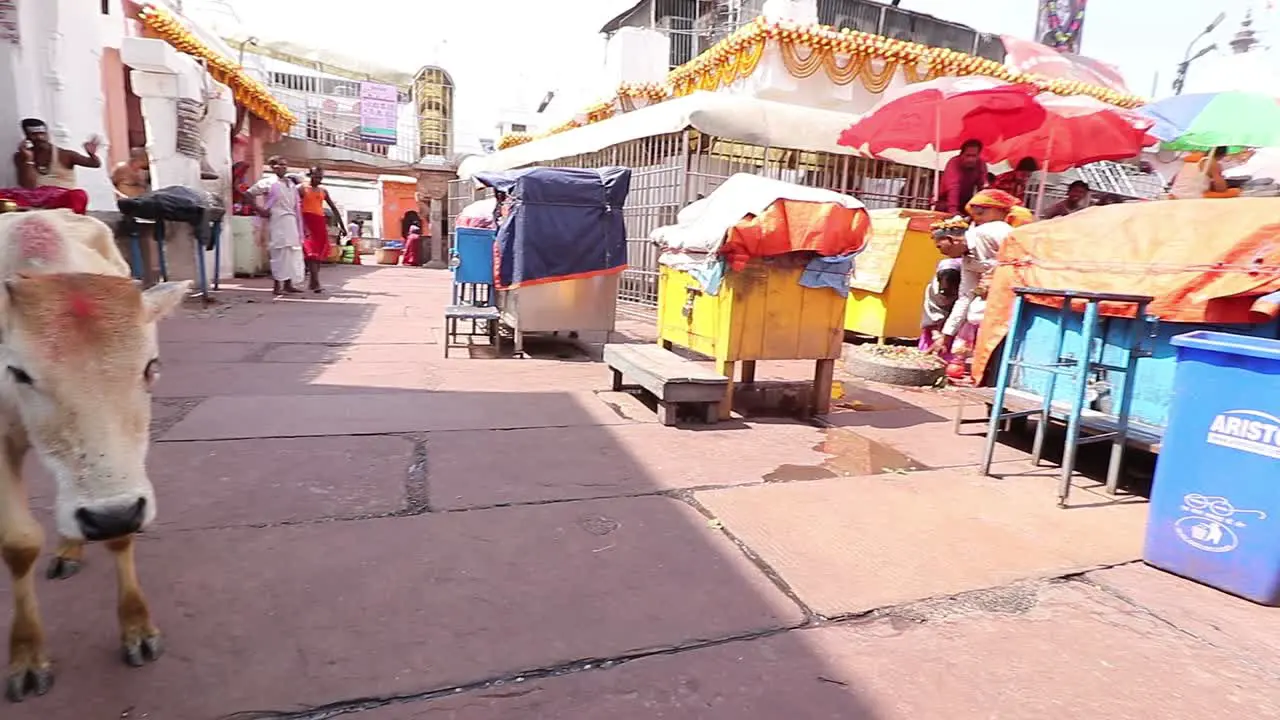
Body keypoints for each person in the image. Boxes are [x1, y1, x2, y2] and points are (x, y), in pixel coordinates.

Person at [929, 189, 1027, 373]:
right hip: (997, 295)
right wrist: (946, 335)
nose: (940, 251)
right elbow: (965, 297)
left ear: (951, 239)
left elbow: (1022, 256)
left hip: (1019, 288)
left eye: (940, 246)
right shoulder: (967, 260)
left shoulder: (992, 231)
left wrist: (998, 277)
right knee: (974, 311)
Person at [3, 118, 101, 214]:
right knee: (3, 195)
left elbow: (94, 164)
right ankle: (34, 211)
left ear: (47, 134)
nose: (39, 137)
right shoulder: (21, 156)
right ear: (27, 136)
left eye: (42, 133)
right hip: (33, 199)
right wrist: (28, 160)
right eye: (34, 134)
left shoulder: (65, 154)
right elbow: (28, 185)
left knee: (79, 195)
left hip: (59, 198)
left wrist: (92, 154)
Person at [250, 156, 306, 296]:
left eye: (285, 165)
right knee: (278, 251)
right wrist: (260, 210)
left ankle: (288, 284)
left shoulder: (291, 183)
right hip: (277, 220)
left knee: (291, 252)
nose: (283, 167)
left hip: (291, 221)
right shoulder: (268, 182)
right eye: (280, 165)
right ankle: (277, 286)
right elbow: (248, 194)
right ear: (272, 167)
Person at [299, 166, 346, 293]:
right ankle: (316, 282)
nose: (318, 179)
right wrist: (301, 225)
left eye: (320, 177)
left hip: (319, 222)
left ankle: (313, 282)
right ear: (310, 175)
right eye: (316, 176)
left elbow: (333, 208)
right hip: (306, 221)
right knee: (311, 253)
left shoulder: (323, 191)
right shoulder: (301, 188)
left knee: (319, 254)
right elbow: (295, 206)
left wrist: (342, 226)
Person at [935, 139, 988, 214]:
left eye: (974, 156)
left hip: (966, 203)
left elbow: (983, 187)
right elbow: (953, 188)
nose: (970, 159)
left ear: (978, 155)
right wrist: (953, 211)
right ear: (961, 154)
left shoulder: (981, 164)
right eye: (968, 155)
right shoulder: (954, 163)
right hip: (946, 202)